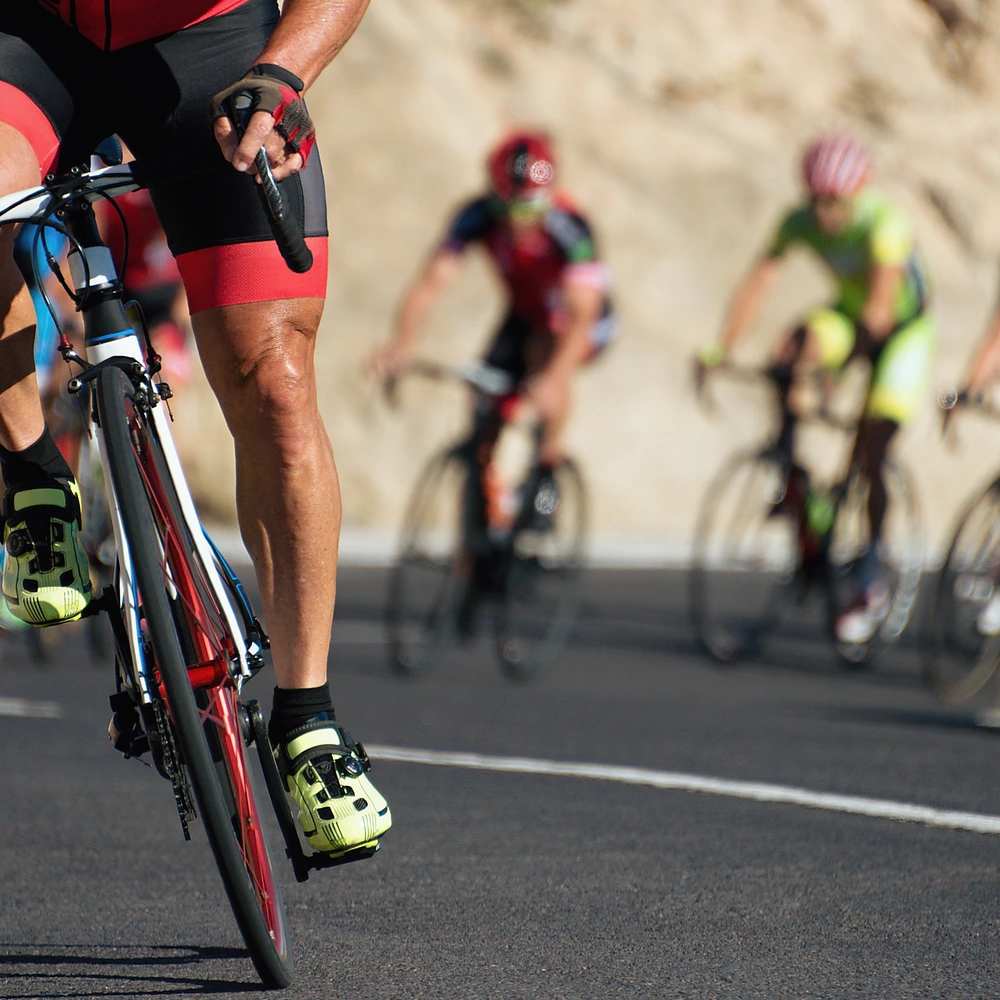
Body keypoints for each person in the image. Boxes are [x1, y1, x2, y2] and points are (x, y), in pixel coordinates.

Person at [0, 0, 390, 859]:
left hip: (207, 45)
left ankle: (308, 720)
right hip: (30, 37)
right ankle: (32, 474)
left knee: (278, 388)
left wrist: (285, 73)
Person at [699, 133, 936, 644]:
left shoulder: (884, 224)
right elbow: (759, 283)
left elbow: (879, 313)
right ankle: (794, 481)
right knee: (788, 355)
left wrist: (838, 372)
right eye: (817, 202)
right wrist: (721, 349)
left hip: (902, 330)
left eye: (836, 204)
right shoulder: (799, 221)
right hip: (851, 315)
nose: (826, 215)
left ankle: (872, 568)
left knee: (872, 448)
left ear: (857, 194)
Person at [372, 131, 614, 594]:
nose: (526, 218)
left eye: (536, 206)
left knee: (546, 361)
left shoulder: (571, 227)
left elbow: (584, 314)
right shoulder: (477, 215)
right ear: (496, 196)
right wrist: (400, 346)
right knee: (483, 400)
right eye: (515, 207)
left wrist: (552, 381)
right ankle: (482, 526)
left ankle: (546, 472)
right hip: (523, 311)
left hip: (578, 317)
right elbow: (430, 284)